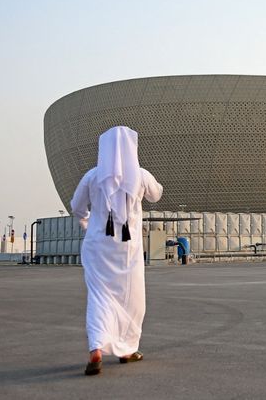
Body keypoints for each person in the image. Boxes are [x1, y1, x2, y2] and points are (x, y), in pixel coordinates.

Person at [71, 126, 163, 376]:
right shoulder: (141, 175)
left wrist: (87, 223)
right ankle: (127, 350)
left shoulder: (92, 176)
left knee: (99, 297)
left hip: (98, 247)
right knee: (132, 299)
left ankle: (96, 349)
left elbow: (77, 206)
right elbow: (157, 195)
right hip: (127, 249)